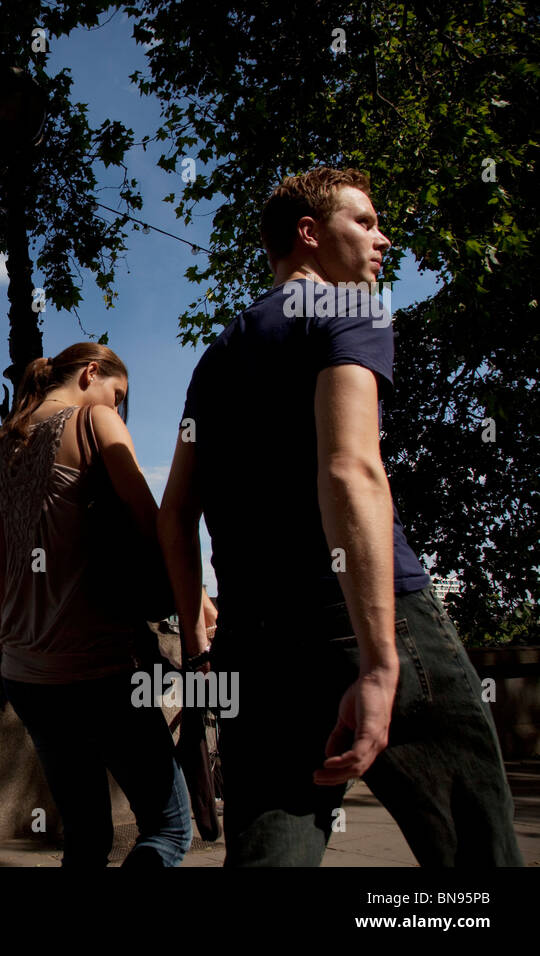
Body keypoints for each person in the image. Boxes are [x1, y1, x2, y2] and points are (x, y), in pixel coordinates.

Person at [157, 166, 523, 866]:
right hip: (359, 622)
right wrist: (382, 662)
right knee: (475, 855)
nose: (383, 240)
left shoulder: (216, 358)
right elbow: (350, 470)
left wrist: (202, 647)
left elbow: (175, 517)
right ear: (310, 233)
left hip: (254, 645)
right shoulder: (348, 310)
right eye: (366, 222)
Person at [0, 342, 210, 867]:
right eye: (117, 392)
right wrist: (196, 600)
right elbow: (154, 524)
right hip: (100, 663)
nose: (117, 404)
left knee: (85, 835)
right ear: (91, 374)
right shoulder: (96, 420)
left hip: (26, 672)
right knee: (168, 829)